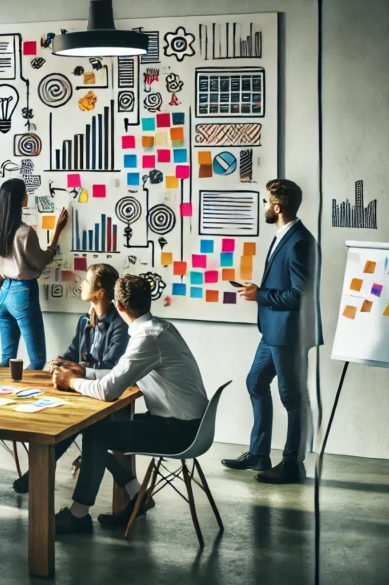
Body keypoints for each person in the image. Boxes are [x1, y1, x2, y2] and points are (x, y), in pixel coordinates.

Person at [50, 275, 208, 535]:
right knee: (103, 427)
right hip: (186, 424)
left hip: (180, 432)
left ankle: (78, 515)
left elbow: (108, 391)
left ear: (119, 306)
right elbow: (119, 376)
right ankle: (137, 496)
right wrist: (84, 371)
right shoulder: (159, 328)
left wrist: (71, 381)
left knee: (96, 433)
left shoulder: (146, 338)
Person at [222, 179, 322, 484]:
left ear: (277, 207)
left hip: (290, 334)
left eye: (267, 202)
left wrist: (260, 294)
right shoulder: (285, 236)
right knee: (256, 381)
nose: (264, 206)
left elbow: (299, 295)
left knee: (293, 398)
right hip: (273, 331)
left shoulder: (300, 241)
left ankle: (292, 464)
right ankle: (259, 454)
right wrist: (261, 293)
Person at [12, 263, 129, 494]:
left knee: (80, 429)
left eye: (86, 281)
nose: (82, 284)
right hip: (82, 391)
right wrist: (58, 363)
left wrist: (75, 369)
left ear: (100, 293)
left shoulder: (120, 325)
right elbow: (71, 354)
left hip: (107, 396)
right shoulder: (85, 321)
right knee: (59, 422)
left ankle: (36, 475)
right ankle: (38, 475)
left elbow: (111, 367)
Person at [0, 178, 68, 370]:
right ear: (20, 199)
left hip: (4, 295)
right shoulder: (25, 232)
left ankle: (2, 396)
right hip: (23, 293)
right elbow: (40, 262)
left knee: (6, 360)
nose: (27, 196)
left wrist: (7, 285)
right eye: (25, 193)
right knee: (38, 360)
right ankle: (23, 398)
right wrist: (55, 235)